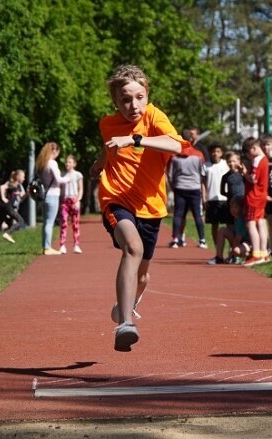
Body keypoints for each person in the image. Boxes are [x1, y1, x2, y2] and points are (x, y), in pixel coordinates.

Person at [89, 64, 189, 352]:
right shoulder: (107, 124)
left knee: (143, 275)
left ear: (147, 95)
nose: (134, 105)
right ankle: (126, 324)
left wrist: (134, 139)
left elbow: (177, 146)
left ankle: (124, 306)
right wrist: (101, 162)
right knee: (132, 248)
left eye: (139, 97)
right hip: (116, 200)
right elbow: (110, 146)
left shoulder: (154, 116)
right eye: (125, 100)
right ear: (115, 102)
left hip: (151, 207)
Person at [167, 130, 207, 249]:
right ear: (191, 140)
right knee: (197, 215)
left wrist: (173, 185)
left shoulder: (174, 155)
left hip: (179, 187)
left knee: (178, 214)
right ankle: (202, 240)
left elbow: (169, 174)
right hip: (194, 188)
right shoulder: (199, 155)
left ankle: (175, 239)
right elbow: (203, 172)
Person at [36, 142, 70, 255]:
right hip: (53, 195)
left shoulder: (42, 163)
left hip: (45, 195)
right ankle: (47, 247)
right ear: (54, 151)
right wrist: (68, 178)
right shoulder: (52, 163)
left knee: (46, 223)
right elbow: (59, 180)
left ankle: (45, 246)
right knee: (50, 223)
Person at [241, 136, 270, 266]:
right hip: (261, 196)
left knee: (251, 224)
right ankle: (264, 253)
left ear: (253, 149)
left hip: (254, 197)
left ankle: (256, 253)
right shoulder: (265, 160)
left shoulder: (257, 161)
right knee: (261, 223)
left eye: (248, 154)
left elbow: (253, 179)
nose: (249, 157)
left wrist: (245, 173)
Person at [203, 143, 230, 252]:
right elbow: (203, 183)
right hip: (211, 200)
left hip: (224, 199)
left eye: (218, 151)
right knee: (214, 226)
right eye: (213, 151)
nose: (215, 154)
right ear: (210, 153)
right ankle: (217, 249)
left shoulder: (226, 164)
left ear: (221, 153)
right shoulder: (206, 165)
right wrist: (204, 198)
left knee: (229, 225)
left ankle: (230, 249)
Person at [207, 196, 249, 265]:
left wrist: (229, 256)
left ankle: (248, 255)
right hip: (241, 242)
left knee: (236, 251)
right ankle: (219, 258)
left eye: (236, 207)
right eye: (231, 207)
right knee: (222, 230)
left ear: (241, 208)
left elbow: (237, 240)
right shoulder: (236, 218)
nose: (233, 209)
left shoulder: (241, 220)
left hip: (248, 243)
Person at [59, 154, 84, 254]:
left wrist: (78, 200)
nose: (67, 164)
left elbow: (80, 188)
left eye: (69, 162)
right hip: (65, 201)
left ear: (74, 164)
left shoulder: (78, 175)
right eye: (66, 162)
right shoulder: (62, 175)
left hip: (74, 200)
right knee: (64, 223)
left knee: (75, 224)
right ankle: (62, 245)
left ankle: (76, 245)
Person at [0, 170, 26, 244]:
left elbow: (21, 198)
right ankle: (7, 233)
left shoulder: (19, 186)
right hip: (7, 206)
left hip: (6, 206)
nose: (24, 179)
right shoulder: (13, 183)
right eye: (23, 177)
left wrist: (27, 192)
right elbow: (2, 187)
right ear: (18, 177)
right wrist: (3, 197)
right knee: (20, 221)